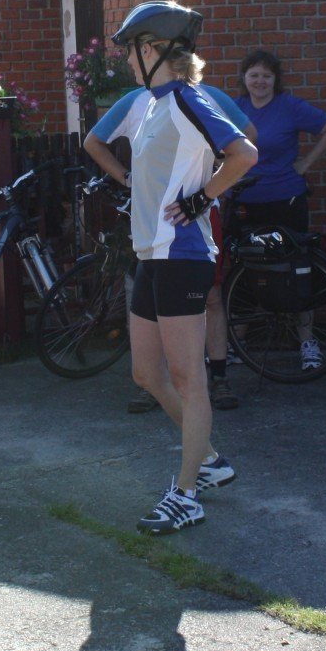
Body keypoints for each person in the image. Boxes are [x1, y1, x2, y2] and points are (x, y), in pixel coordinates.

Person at [110, 0, 257, 535]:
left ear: (152, 51)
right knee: (146, 374)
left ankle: (187, 492)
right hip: (153, 254)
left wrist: (201, 201)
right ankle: (212, 460)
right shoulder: (152, 105)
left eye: (131, 51)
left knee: (187, 378)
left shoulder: (189, 100)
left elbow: (243, 155)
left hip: (184, 255)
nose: (128, 61)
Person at [83, 76, 254, 410]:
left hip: (198, 217)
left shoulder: (207, 95)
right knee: (151, 302)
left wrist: (208, 187)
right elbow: (94, 140)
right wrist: (127, 178)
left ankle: (217, 377)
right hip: (150, 220)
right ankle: (156, 383)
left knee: (212, 296)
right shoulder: (135, 100)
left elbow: (249, 139)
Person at [230, 49, 326, 371]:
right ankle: (235, 343)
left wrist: (306, 163)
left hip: (286, 200)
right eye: (254, 74)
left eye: (267, 75)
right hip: (245, 203)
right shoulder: (235, 108)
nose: (260, 81)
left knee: (297, 268)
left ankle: (307, 341)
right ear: (244, 78)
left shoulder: (289, 107)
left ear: (275, 80)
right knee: (243, 270)